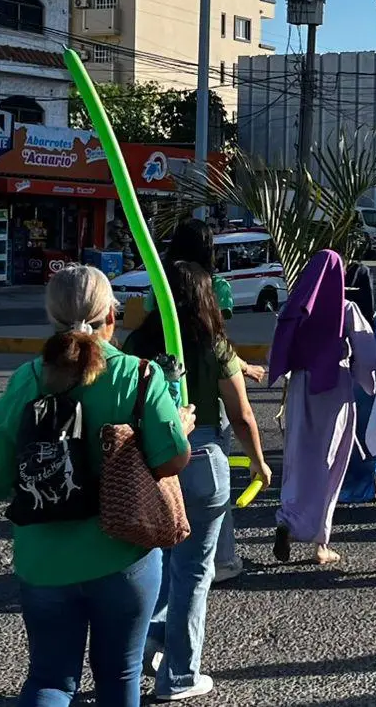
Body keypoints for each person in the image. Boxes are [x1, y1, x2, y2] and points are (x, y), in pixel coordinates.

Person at [0, 264, 195, 707]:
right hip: (124, 554)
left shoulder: (27, 380)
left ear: (52, 320)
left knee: (49, 679)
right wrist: (181, 424)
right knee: (119, 677)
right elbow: (170, 462)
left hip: (43, 560)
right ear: (112, 316)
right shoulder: (139, 376)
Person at [123, 262, 271, 699]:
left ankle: (149, 641)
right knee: (193, 572)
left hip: (152, 461)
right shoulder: (215, 345)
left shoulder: (136, 343)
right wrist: (259, 463)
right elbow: (242, 416)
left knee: (159, 561)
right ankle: (180, 675)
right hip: (205, 460)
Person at [154, 219, 262, 583]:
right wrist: (259, 462)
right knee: (216, 493)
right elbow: (217, 337)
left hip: (159, 425)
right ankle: (222, 558)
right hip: (207, 421)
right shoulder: (216, 292)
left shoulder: (159, 285)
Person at [268, 249, 376, 566]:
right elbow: (367, 355)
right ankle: (320, 543)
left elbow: (278, 347)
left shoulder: (296, 306)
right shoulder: (345, 309)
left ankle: (287, 519)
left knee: (299, 458)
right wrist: (367, 381)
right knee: (329, 463)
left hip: (302, 387)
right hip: (334, 388)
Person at [338, 258, 376, 504]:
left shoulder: (334, 311)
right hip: (367, 386)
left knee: (340, 437)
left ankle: (338, 486)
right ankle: (368, 486)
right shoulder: (372, 317)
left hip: (337, 385)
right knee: (367, 435)